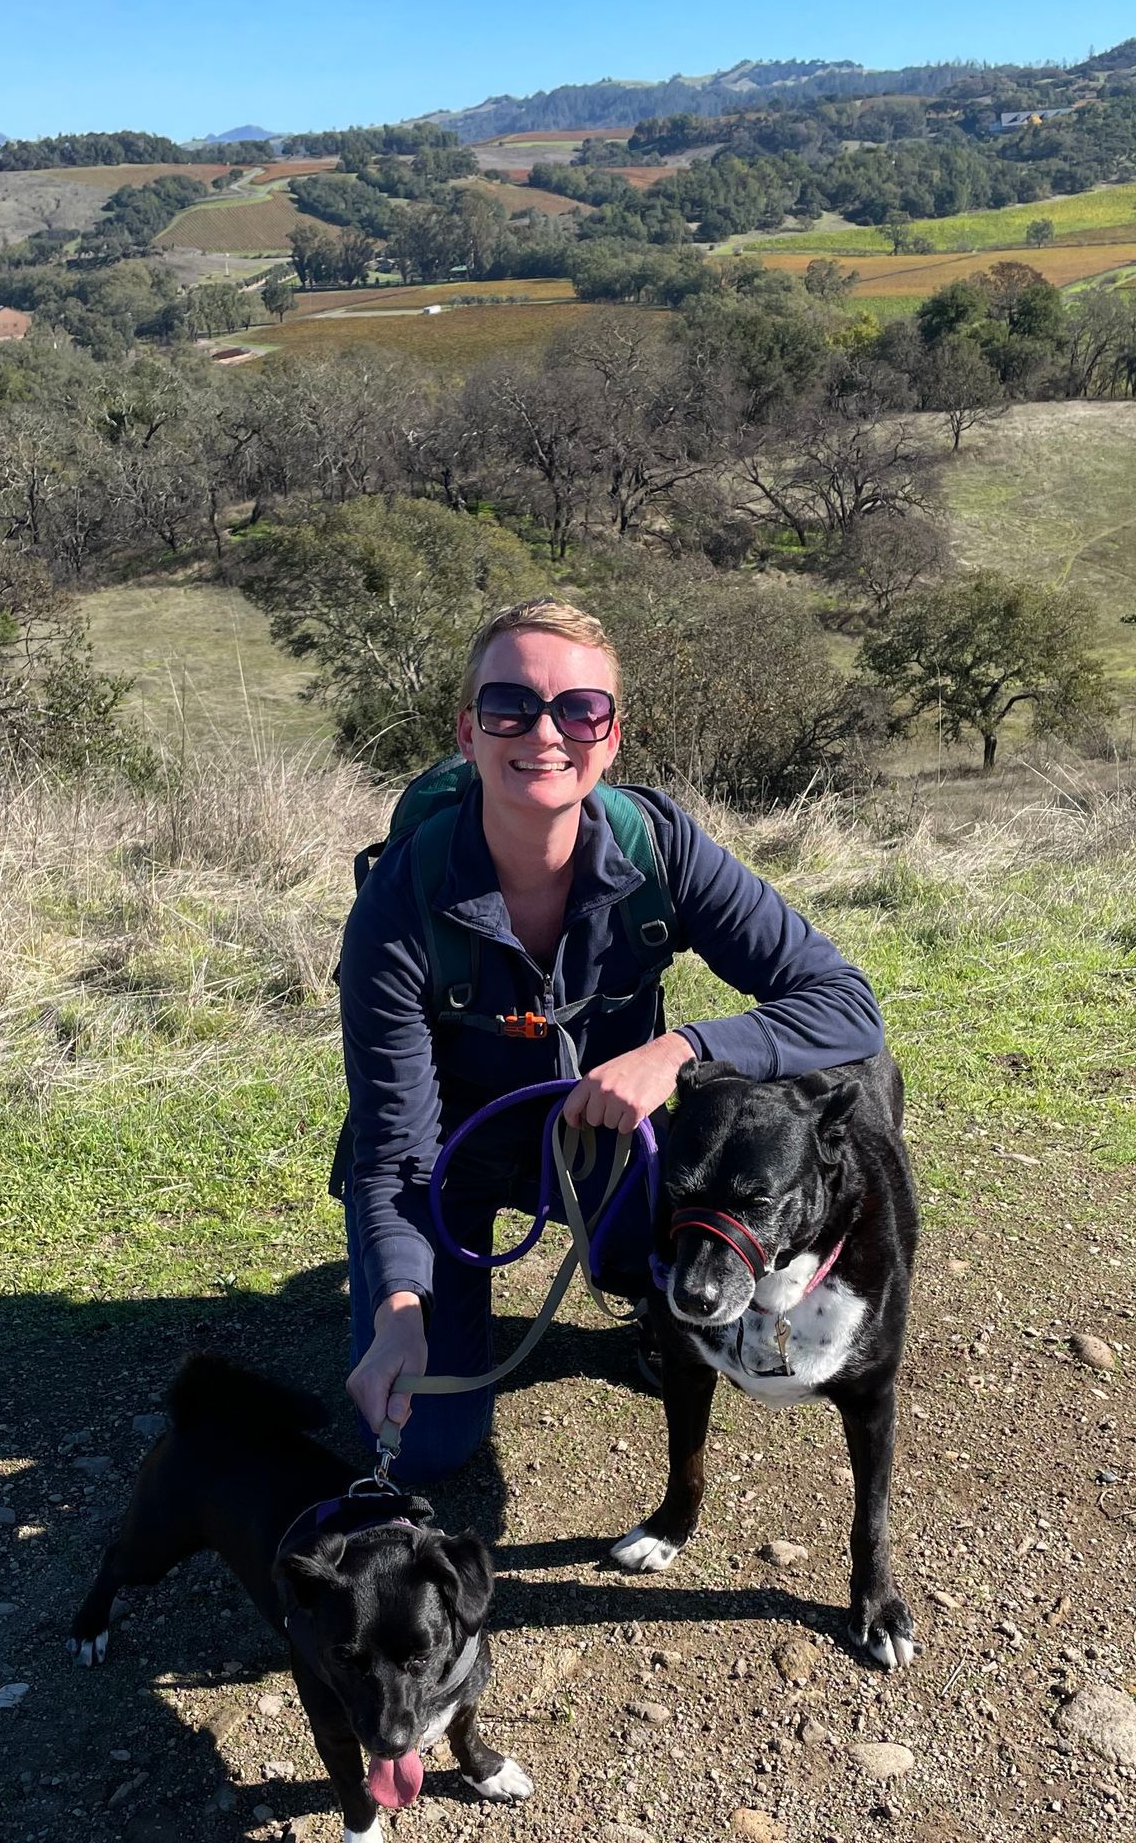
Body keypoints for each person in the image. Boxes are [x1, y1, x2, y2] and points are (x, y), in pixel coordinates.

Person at [336, 598, 886, 1483]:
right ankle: (401, 1287)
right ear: (469, 732)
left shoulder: (658, 846)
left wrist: (678, 1053)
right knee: (431, 1444)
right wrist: (401, 1303)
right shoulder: (396, 908)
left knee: (682, 1294)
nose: (545, 733)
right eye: (510, 706)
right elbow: (393, 1149)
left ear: (612, 735)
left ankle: (636, 1282)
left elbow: (843, 1003)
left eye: (579, 709)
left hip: (612, 1147)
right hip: (451, 1161)